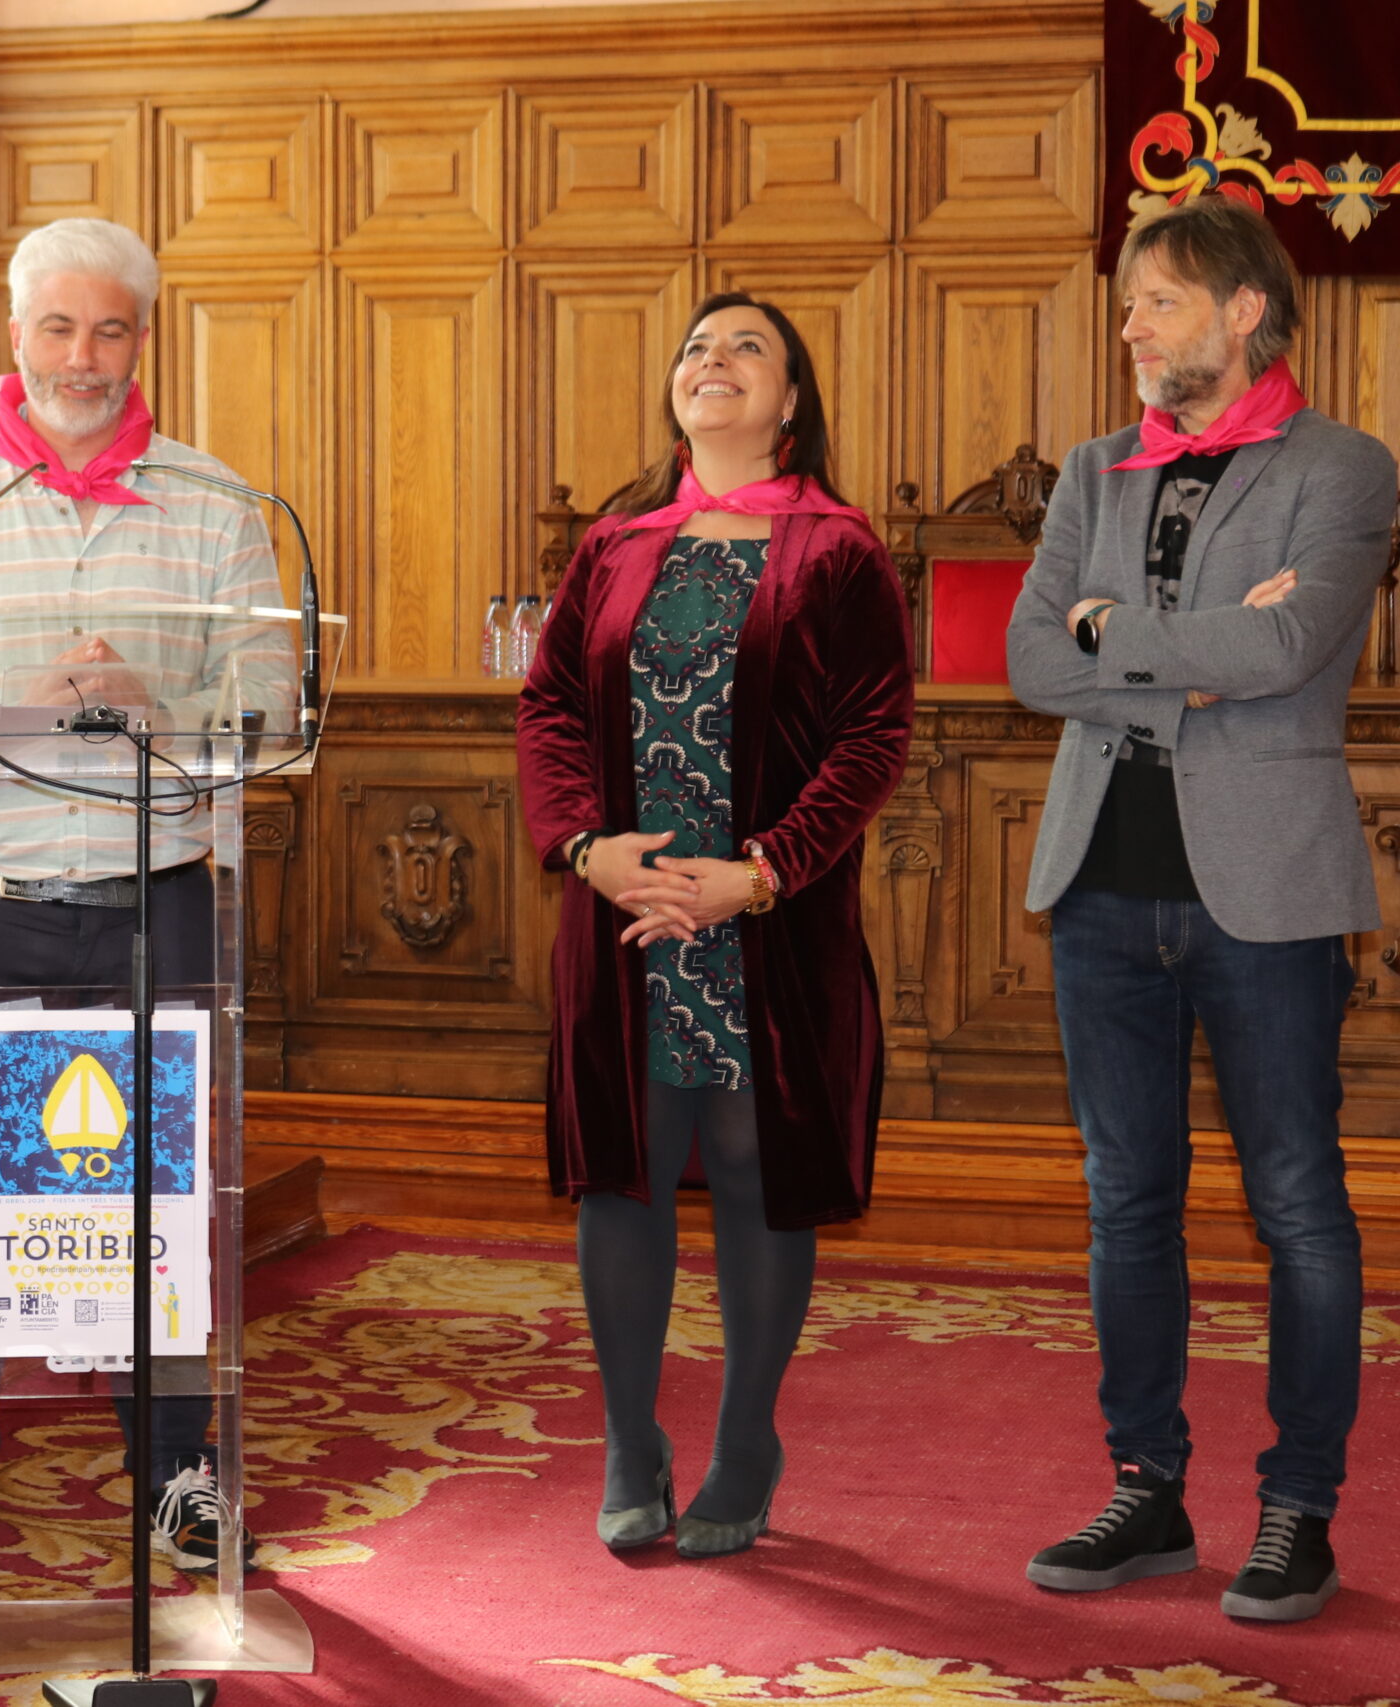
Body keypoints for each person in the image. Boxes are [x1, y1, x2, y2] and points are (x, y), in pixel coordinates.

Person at [0, 217, 289, 1579]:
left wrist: (166, 704)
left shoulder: (217, 507)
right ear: (17, 337)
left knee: (166, 1194)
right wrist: (13, 711)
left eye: (111, 331)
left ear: (143, 341)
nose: (84, 359)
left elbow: (275, 711)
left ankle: (181, 1476)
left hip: (157, 899)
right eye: (59, 329)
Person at [1006, 195, 1396, 1624]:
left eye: (1155, 302)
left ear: (1242, 309)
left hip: (1270, 890)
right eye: (1127, 306)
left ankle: (1299, 1507)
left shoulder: (1342, 464)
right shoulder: (1096, 469)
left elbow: (1294, 644)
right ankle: (1147, 1486)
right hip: (1102, 881)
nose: (1131, 328)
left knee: (1298, 1202)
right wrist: (1171, 650)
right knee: (1128, 1199)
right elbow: (1033, 656)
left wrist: (1121, 631)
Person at [516, 292, 914, 1559]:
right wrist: (587, 848)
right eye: (695, 346)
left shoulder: (840, 550)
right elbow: (547, 715)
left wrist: (764, 872)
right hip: (627, 917)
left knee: (755, 1173)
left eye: (747, 347)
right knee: (622, 1179)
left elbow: (871, 739)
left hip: (765, 925)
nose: (713, 361)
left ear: (791, 400)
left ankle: (747, 1440)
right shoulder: (614, 544)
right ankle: (631, 1439)